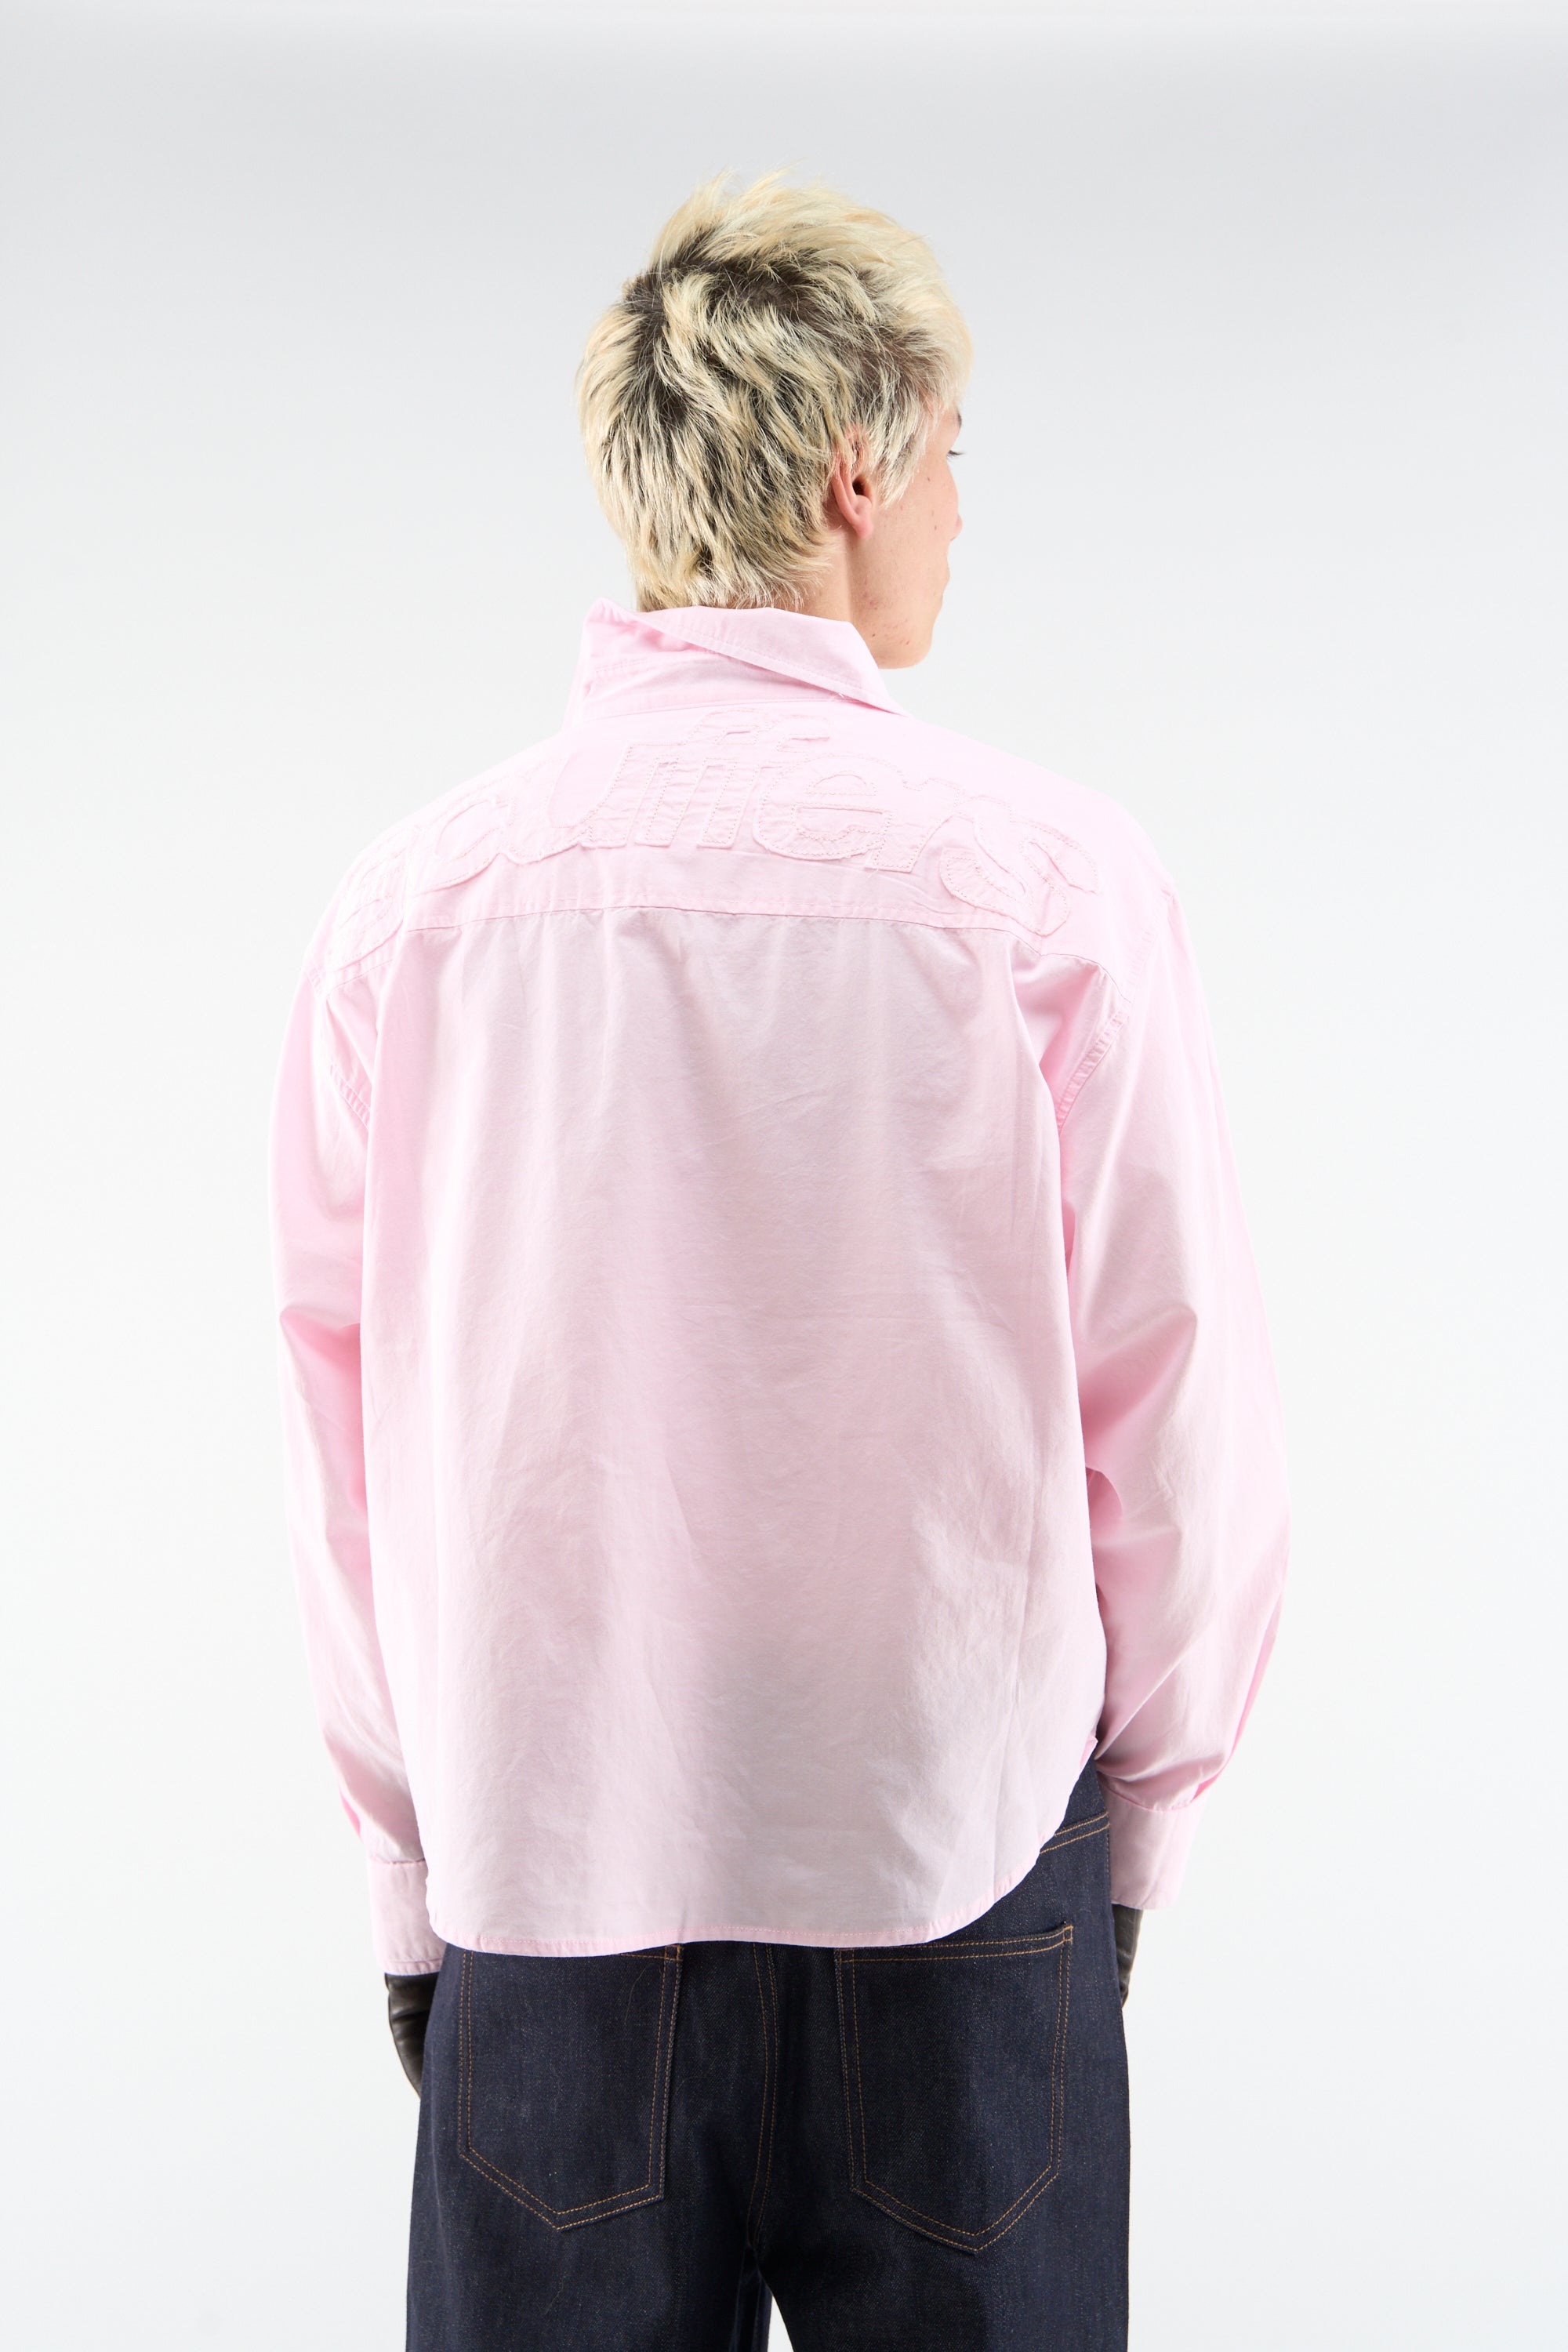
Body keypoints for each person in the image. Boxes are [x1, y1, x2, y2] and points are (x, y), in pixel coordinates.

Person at [270, 172, 1289, 2352]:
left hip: (545, 1867)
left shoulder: (409, 909)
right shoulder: (1051, 881)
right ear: (857, 474)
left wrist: (403, 1872)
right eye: (952, 458)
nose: (961, 514)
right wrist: (1146, 1822)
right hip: (960, 1857)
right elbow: (1175, 1398)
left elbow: (342, 1451)